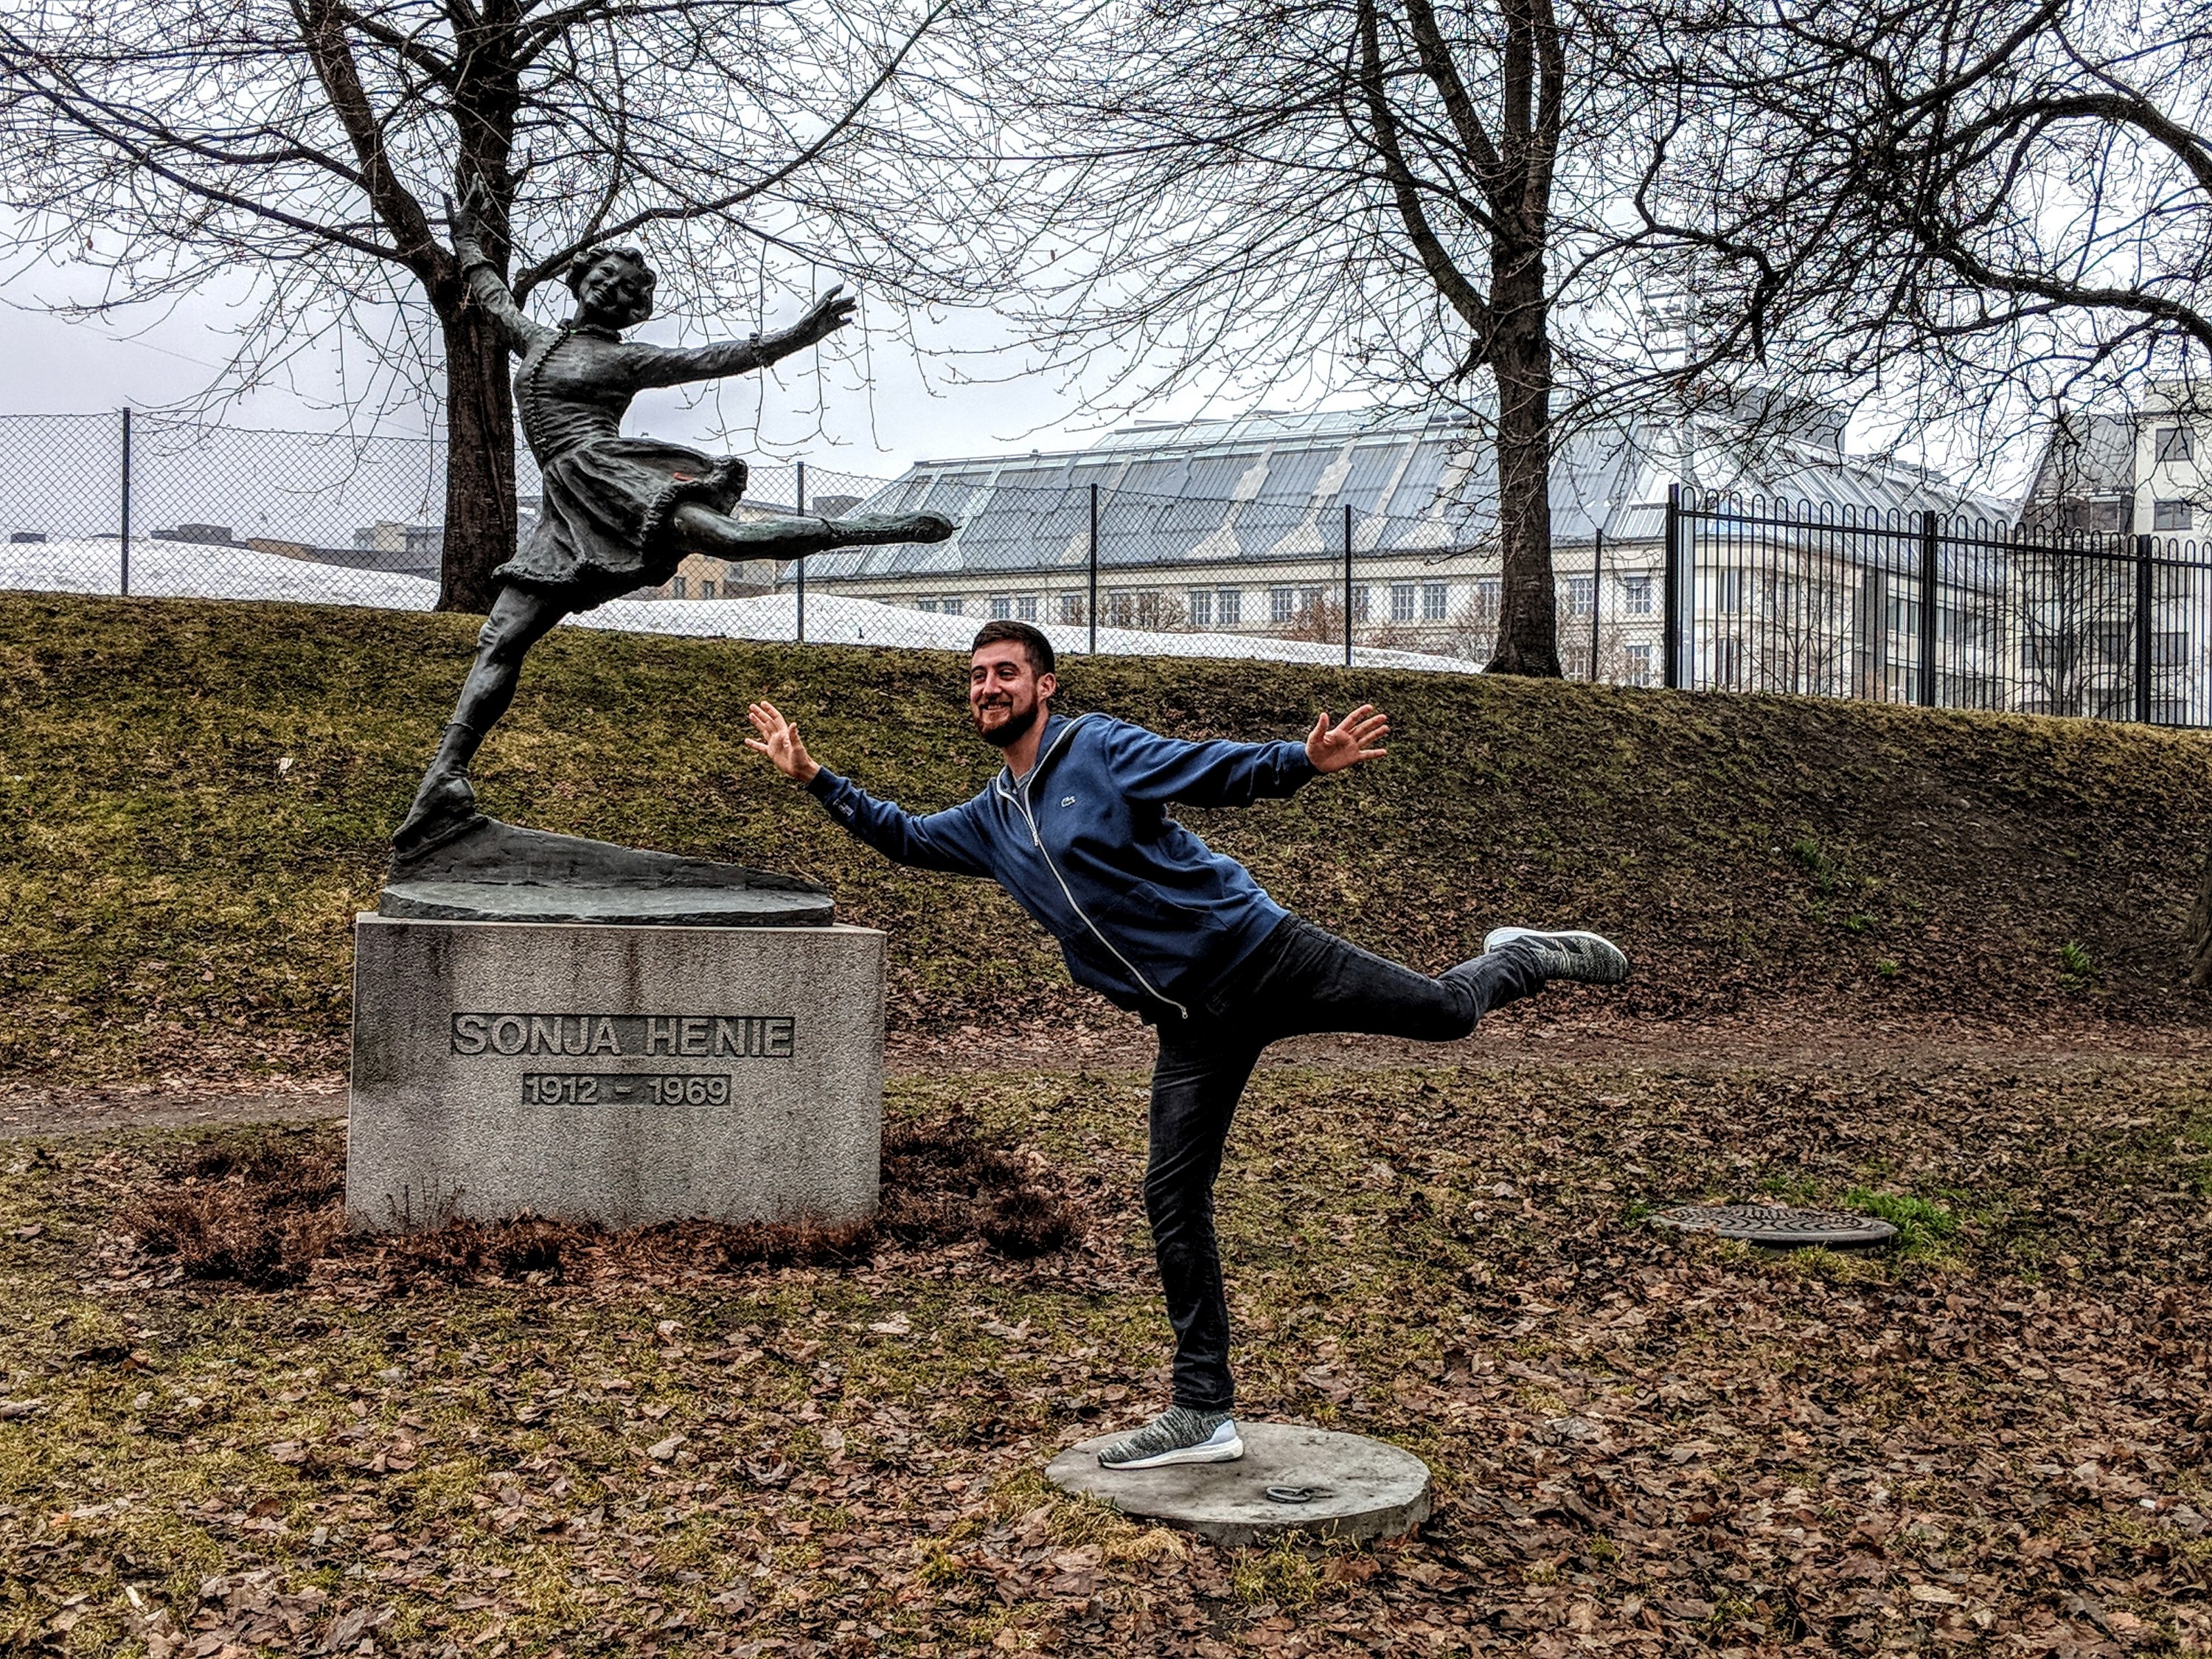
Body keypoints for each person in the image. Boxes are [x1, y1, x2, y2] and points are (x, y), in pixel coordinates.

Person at [744, 620, 1630, 1470]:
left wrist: (1299, 762)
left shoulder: (1095, 748)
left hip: (1262, 954)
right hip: (1191, 1023)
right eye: (977, 677)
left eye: (1005, 673)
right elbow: (905, 837)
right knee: (1172, 1195)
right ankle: (1203, 1409)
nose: (988, 689)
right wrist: (816, 777)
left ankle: (1518, 955)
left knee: (1445, 1014)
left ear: (1044, 686)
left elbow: (1205, 768)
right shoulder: (993, 817)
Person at [394, 187, 953, 858]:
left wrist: (795, 337)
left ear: (631, 308)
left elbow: (712, 359)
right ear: (582, 281)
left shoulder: (626, 359)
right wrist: (467, 243)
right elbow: (492, 301)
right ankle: (445, 780)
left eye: (624, 288)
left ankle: (877, 528)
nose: (608, 288)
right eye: (603, 276)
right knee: (500, 638)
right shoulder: (538, 341)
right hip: (565, 507)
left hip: (617, 478)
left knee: (733, 541)